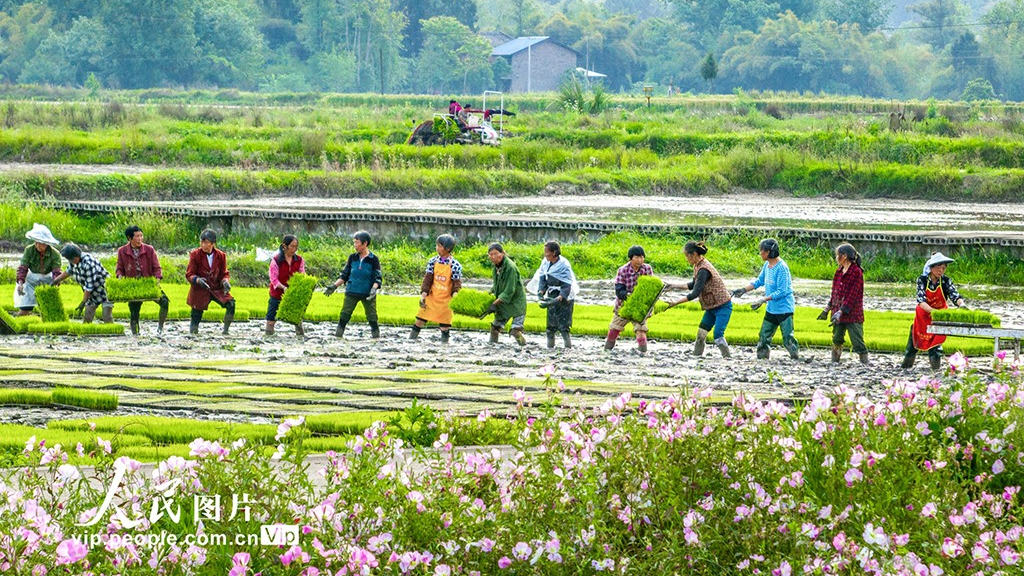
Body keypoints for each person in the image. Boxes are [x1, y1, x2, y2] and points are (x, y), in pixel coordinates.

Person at [733, 238, 800, 360]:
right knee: (764, 336)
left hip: (784, 309)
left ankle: (796, 359)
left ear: (769, 252)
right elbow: (759, 281)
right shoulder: (767, 265)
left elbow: (782, 291)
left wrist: (764, 299)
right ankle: (762, 359)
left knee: (788, 338)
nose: (760, 253)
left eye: (762, 251)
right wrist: (743, 289)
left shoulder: (782, 268)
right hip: (772, 309)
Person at [901, 252, 966, 370]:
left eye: (944, 268)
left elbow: (955, 296)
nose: (941, 271)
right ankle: (906, 366)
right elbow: (921, 301)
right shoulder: (922, 280)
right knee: (914, 342)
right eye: (938, 268)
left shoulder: (945, 281)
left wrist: (961, 305)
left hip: (939, 318)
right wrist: (933, 311)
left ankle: (935, 369)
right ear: (931, 268)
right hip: (923, 316)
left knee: (936, 345)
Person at [670, 241, 733, 358]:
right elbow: (694, 284)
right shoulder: (698, 265)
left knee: (718, 336)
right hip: (711, 308)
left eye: (687, 256)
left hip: (723, 307)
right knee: (701, 334)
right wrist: (673, 286)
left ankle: (728, 359)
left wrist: (675, 303)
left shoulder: (704, 269)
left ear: (693, 254)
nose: (686, 259)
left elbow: (695, 293)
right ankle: (696, 357)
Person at [326, 230, 382, 339]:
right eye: (354, 242)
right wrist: (334, 286)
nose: (355, 245)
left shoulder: (373, 259)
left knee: (372, 318)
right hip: (352, 291)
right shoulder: (352, 258)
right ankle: (338, 337)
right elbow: (345, 275)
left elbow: (378, 277)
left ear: (365, 243)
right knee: (344, 316)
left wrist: (373, 290)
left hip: (368, 293)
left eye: (357, 242)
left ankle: (376, 339)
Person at [116, 225, 171, 335]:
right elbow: (119, 269)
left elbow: (157, 267)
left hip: (148, 284)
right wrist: (120, 278)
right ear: (129, 238)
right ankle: (135, 334)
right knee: (134, 312)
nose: (140, 239)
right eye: (137, 236)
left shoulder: (149, 249)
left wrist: (157, 280)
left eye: (141, 236)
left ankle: (160, 328)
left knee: (164, 302)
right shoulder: (122, 251)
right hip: (134, 286)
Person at [820, 243, 867, 364]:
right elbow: (835, 293)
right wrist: (827, 309)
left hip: (853, 313)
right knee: (837, 338)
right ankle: (835, 362)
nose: (836, 258)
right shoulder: (839, 272)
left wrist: (841, 311)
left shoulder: (856, 272)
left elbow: (852, 296)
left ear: (844, 256)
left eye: (838, 255)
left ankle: (865, 363)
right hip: (837, 312)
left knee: (857, 341)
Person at [410, 234, 462, 343]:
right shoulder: (433, 261)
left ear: (448, 248)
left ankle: (444, 345)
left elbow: (456, 284)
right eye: (437, 245)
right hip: (432, 297)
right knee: (419, 321)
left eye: (440, 246)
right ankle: (411, 341)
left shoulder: (455, 265)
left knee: (444, 326)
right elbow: (427, 280)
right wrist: (423, 296)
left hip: (445, 300)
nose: (437, 248)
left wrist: (455, 298)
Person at [185, 229, 235, 335]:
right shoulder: (195, 255)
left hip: (216, 288)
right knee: (196, 313)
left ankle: (226, 331)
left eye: (206, 242)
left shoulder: (221, 256)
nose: (203, 245)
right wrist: (198, 280)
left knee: (231, 304)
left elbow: (224, 273)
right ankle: (193, 334)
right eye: (202, 242)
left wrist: (225, 281)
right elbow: (189, 274)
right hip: (200, 289)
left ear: (213, 243)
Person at [605, 245, 653, 353]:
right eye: (637, 257)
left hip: (640, 308)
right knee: (613, 330)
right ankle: (606, 352)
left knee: (641, 331)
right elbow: (619, 291)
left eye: (642, 257)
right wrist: (631, 296)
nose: (640, 260)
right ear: (630, 258)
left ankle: (643, 354)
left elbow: (650, 288)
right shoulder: (623, 270)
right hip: (623, 306)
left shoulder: (647, 269)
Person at [52, 243, 114, 323]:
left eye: (70, 259)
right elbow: (68, 271)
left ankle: (112, 329)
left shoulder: (88, 264)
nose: (70, 261)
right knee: (87, 316)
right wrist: (55, 281)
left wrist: (82, 303)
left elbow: (89, 287)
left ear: (75, 257)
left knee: (106, 316)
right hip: (92, 294)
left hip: (104, 291)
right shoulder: (73, 261)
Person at [532, 240, 578, 349]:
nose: (545, 254)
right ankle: (550, 348)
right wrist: (541, 292)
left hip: (565, 298)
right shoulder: (545, 263)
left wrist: (559, 298)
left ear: (554, 252)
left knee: (564, 328)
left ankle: (568, 349)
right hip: (552, 294)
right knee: (550, 327)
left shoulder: (564, 265)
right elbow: (543, 278)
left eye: (547, 252)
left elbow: (567, 284)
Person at [482, 243, 527, 346]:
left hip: (516, 303)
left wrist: (494, 304)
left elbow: (509, 290)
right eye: (491, 254)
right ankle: (492, 348)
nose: (493, 257)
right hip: (503, 303)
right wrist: (486, 295)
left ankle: (524, 348)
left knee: (515, 331)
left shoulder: (510, 267)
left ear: (502, 253)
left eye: (496, 254)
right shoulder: (496, 268)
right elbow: (496, 286)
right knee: (494, 328)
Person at [14, 224, 62, 316]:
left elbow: (56, 271)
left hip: (47, 280)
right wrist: (20, 283)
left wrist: (56, 284)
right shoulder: (29, 250)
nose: (37, 245)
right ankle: (18, 320)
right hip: (31, 279)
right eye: (36, 242)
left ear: (46, 243)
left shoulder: (55, 254)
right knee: (25, 307)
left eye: (40, 243)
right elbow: (23, 268)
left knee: (48, 308)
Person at [265, 234, 305, 337]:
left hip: (292, 294)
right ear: (284, 246)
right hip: (277, 294)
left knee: (298, 321)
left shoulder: (299, 260)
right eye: (292, 246)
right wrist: (283, 288)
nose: (294, 249)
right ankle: (268, 337)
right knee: (270, 321)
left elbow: (302, 275)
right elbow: (274, 280)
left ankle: (300, 338)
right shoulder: (276, 260)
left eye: (296, 246)